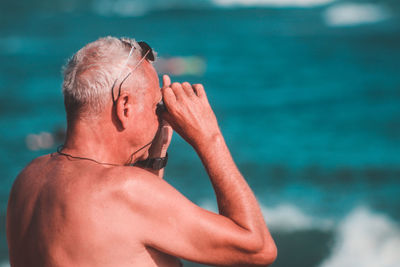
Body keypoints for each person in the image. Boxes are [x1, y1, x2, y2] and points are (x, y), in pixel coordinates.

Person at [6, 37, 277, 267]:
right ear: (124, 107)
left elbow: (135, 234)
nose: (161, 117)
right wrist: (209, 137)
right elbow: (257, 248)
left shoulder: (28, 179)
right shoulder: (125, 191)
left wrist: (155, 155)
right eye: (156, 106)